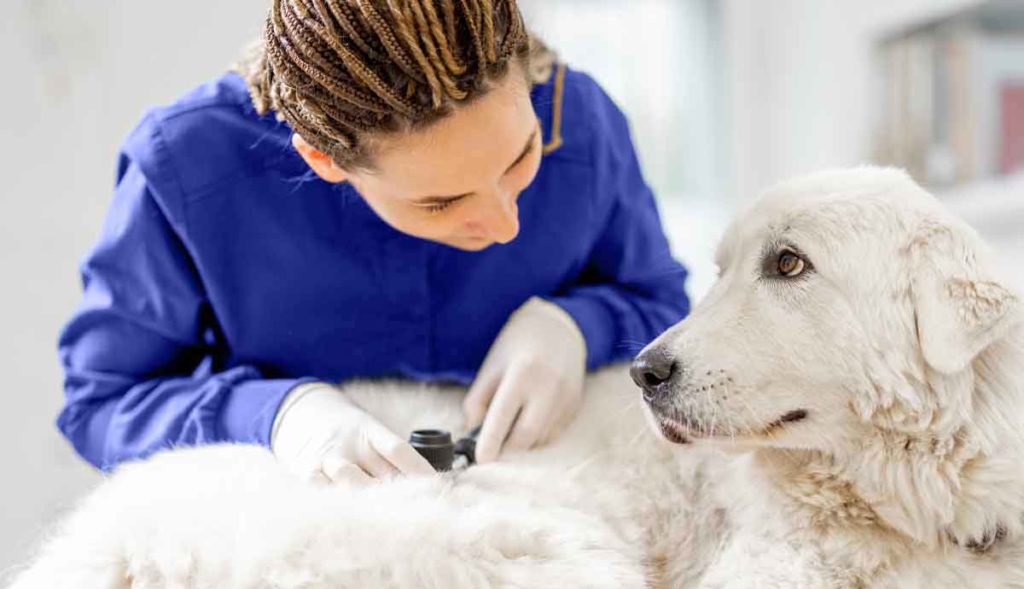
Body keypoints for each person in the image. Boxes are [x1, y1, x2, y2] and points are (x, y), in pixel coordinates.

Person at [57, 0, 689, 485]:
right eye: (441, 201)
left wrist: (576, 326)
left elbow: (659, 301)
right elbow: (104, 401)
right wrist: (277, 414)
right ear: (324, 159)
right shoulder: (186, 166)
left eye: (522, 157)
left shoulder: (579, 118)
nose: (505, 226)